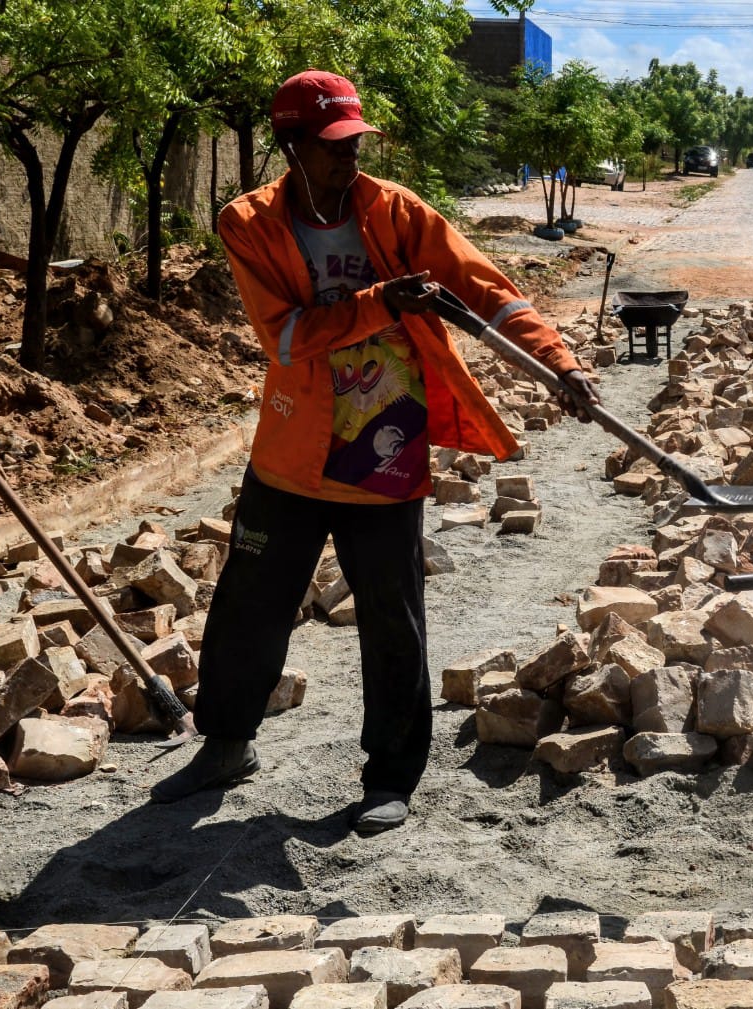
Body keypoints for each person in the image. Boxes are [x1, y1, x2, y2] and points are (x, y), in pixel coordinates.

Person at [150, 69, 600, 834]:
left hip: (382, 443)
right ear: (289, 148)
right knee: (248, 606)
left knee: (392, 617)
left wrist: (558, 361)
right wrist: (379, 301)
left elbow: (491, 289)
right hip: (291, 449)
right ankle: (226, 745)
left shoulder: (395, 212)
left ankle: (390, 776)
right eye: (330, 147)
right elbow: (286, 338)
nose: (347, 158)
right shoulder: (247, 224)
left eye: (355, 142)